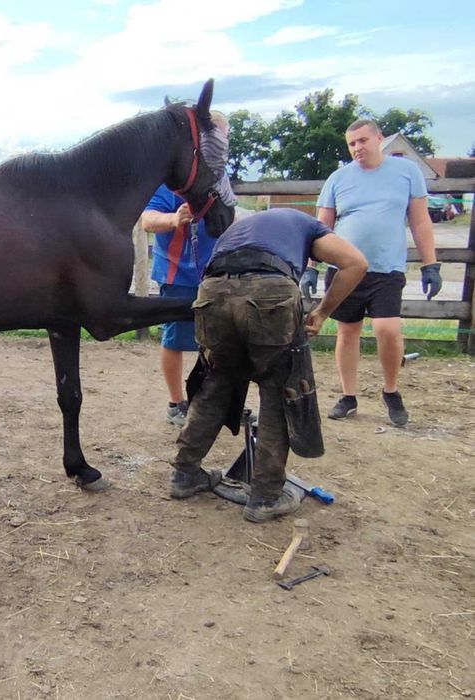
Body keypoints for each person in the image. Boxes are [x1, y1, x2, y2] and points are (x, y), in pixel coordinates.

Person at [169, 208, 367, 522]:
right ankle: (265, 496)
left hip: (212, 292)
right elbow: (356, 263)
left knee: (216, 383)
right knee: (278, 390)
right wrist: (323, 311)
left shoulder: (243, 229)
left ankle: (184, 474)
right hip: (269, 291)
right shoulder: (309, 225)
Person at [303, 119, 441, 426]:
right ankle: (348, 396)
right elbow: (321, 227)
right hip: (345, 268)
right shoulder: (338, 179)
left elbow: (420, 221)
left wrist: (430, 263)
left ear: (379, 138)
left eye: (363, 140)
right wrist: (311, 267)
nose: (357, 148)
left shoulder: (407, 173)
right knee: (347, 331)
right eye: (351, 144)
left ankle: (391, 391)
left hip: (386, 266)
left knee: (387, 329)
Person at [140, 112, 232, 427]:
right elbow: (148, 219)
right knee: (175, 339)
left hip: (218, 273)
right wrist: (174, 219)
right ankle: (176, 402)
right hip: (177, 272)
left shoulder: (221, 178)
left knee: (218, 340)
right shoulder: (171, 179)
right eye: (213, 136)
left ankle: (208, 399)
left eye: (224, 136)